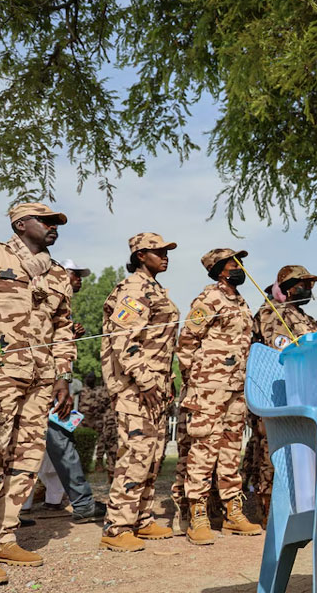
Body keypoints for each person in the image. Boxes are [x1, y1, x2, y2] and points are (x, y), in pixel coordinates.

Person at [0, 203, 76, 585]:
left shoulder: (58, 274)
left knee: (26, 460)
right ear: (20, 223)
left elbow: (63, 328)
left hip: (40, 379)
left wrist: (62, 375)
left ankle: (4, 537)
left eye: (56, 223)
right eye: (46, 221)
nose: (53, 227)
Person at [99, 233, 179, 552]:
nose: (165, 256)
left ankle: (141, 518)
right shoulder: (133, 288)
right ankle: (117, 526)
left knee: (154, 453)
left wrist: (166, 382)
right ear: (141, 255)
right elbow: (125, 338)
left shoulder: (154, 288)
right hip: (136, 386)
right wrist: (145, 381)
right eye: (158, 251)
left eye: (166, 251)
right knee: (136, 452)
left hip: (156, 384)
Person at [176, 248, 261, 545]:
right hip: (209, 388)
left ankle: (231, 511)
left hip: (236, 387)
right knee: (204, 447)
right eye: (234, 263)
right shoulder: (208, 299)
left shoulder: (241, 301)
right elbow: (186, 341)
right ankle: (197, 512)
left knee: (230, 449)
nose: (240, 267)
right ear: (219, 269)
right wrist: (195, 381)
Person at [244, 266, 317, 527]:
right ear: (289, 288)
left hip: (299, 394)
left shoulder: (301, 315)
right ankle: (270, 511)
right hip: (277, 393)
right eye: (303, 285)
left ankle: (297, 509)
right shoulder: (274, 313)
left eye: (311, 285)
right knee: (272, 453)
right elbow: (279, 353)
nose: (308, 290)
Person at [35, 261, 106, 524]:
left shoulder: (63, 307)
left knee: (56, 445)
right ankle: (82, 503)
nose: (79, 280)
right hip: (39, 387)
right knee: (56, 444)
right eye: (75, 275)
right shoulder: (40, 294)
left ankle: (18, 509)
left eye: (80, 276)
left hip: (53, 387)